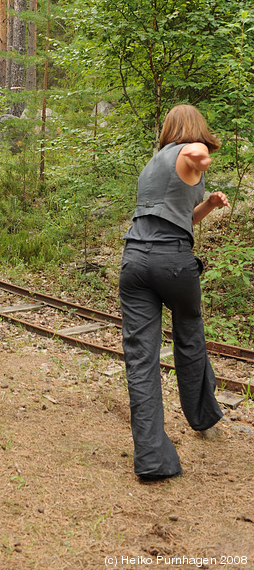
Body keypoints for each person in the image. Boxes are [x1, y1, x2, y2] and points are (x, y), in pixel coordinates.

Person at [119, 104, 229, 482]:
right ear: (194, 130)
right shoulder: (189, 152)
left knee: (141, 359)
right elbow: (196, 153)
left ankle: (151, 459)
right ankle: (202, 415)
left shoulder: (154, 165)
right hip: (173, 263)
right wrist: (202, 152)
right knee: (189, 338)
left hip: (134, 263)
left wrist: (209, 205)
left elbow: (180, 216)